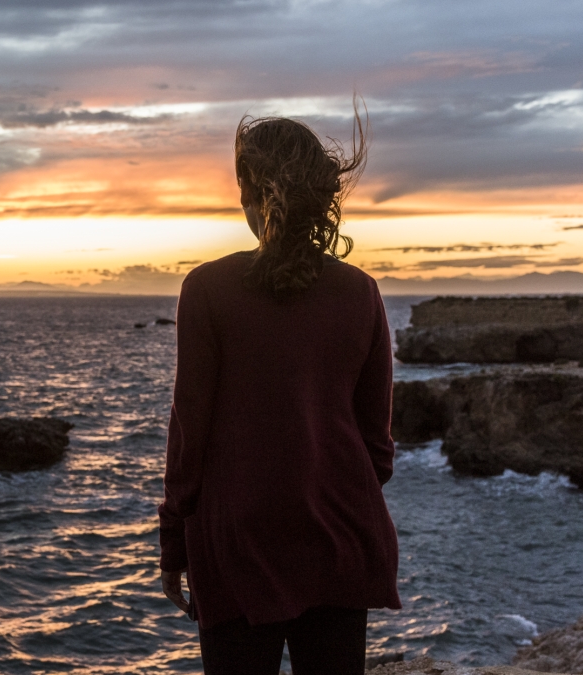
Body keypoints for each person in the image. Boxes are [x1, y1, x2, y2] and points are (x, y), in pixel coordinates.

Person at [157, 107, 401, 675]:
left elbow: (190, 437)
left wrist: (174, 543)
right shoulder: (360, 292)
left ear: (250, 193)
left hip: (237, 545)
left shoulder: (207, 289)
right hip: (340, 538)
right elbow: (377, 449)